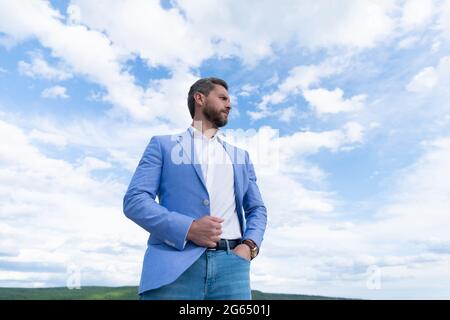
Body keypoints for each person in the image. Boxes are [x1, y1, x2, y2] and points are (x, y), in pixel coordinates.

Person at [123, 77, 267, 300]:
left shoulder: (241, 157)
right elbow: (135, 201)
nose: (229, 104)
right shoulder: (163, 145)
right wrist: (188, 228)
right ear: (199, 98)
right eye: (222, 98)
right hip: (172, 270)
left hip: (233, 268)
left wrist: (249, 246)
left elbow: (257, 208)